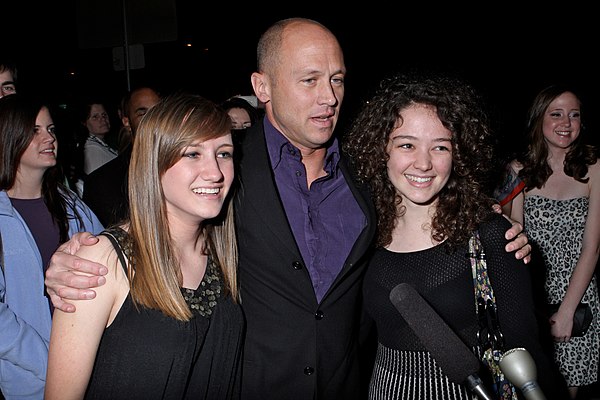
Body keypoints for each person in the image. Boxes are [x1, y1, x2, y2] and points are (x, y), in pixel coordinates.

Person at [44, 18, 531, 400]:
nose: (329, 96)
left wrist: (497, 232)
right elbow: (164, 216)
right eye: (310, 79)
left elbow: (428, 186)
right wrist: (81, 259)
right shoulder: (227, 165)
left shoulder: (368, 175)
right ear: (262, 86)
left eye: (337, 79)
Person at [343, 71, 569, 400]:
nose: (423, 163)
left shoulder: (491, 235)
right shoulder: (363, 232)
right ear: (382, 149)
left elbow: (528, 350)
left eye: (440, 147)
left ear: (459, 154)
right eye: (407, 144)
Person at [44, 92, 244, 399]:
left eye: (224, 153)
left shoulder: (225, 252)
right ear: (154, 162)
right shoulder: (102, 261)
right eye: (192, 154)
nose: (215, 172)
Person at [0, 94, 103, 399]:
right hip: (32, 382)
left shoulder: (71, 203)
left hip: (92, 367)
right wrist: (52, 363)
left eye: (51, 129)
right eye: (35, 130)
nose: (49, 137)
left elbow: (108, 263)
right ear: (8, 137)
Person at [500, 84, 600, 399]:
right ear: (539, 119)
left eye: (574, 115)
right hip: (530, 292)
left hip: (577, 294)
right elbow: (511, 233)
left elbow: (592, 247)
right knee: (528, 387)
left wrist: (568, 311)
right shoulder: (518, 170)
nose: (566, 123)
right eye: (556, 114)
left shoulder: (595, 168)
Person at [82, 86, 161, 226]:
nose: (153, 119)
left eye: (159, 111)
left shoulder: (187, 167)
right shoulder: (102, 183)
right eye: (143, 113)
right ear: (127, 122)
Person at [78, 99, 118, 176]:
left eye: (104, 115)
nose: (103, 119)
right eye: (95, 117)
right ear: (84, 123)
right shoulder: (91, 149)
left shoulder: (103, 143)